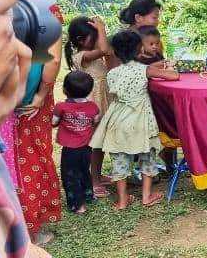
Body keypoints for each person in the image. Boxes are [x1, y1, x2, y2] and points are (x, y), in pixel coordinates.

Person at [0, 0, 62, 245]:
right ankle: (32, 229)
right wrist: (41, 94)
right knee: (29, 158)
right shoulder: (44, 8)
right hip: (27, 98)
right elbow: (50, 59)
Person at [89, 31, 179, 209]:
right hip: (140, 120)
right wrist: (169, 67)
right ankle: (147, 196)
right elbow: (174, 76)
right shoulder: (145, 69)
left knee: (120, 158)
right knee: (147, 155)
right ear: (140, 50)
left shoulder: (112, 73)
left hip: (118, 119)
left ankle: (122, 200)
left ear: (115, 52)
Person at [65, 16, 116, 198]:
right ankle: (93, 182)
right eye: (93, 36)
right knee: (94, 145)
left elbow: (107, 50)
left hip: (102, 103)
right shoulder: (81, 56)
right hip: (92, 107)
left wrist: (100, 31)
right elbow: (104, 49)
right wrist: (101, 28)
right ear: (80, 40)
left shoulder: (92, 53)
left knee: (100, 144)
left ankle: (98, 176)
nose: (97, 40)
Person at [52, 71, 100, 215]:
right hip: (86, 148)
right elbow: (96, 120)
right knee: (85, 171)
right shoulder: (93, 106)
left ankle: (78, 205)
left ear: (65, 89)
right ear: (90, 90)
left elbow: (53, 123)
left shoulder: (60, 107)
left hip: (70, 150)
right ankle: (89, 195)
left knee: (70, 176)